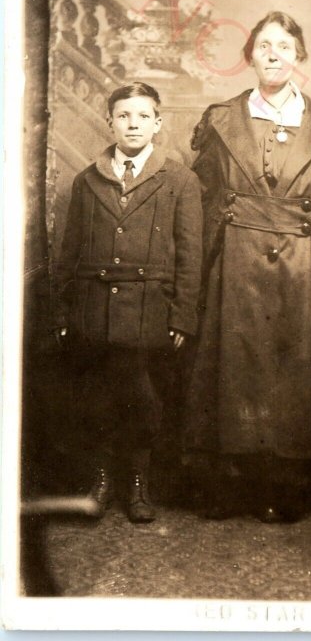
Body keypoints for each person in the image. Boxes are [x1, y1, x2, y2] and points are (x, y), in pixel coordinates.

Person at [184, 11, 311, 522]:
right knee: (230, 367)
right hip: (235, 260)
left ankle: (282, 484)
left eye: (285, 46)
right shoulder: (220, 119)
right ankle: (228, 483)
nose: (275, 54)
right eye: (264, 46)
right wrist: (202, 267)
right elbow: (205, 199)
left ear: (299, 56)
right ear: (250, 57)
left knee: (291, 370)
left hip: (301, 265)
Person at [52, 82, 203, 523]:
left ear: (158, 124)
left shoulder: (180, 180)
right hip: (93, 310)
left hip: (149, 312)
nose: (132, 124)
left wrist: (182, 315)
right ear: (110, 122)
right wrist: (64, 312)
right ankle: (100, 481)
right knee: (96, 397)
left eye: (142, 116)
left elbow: (189, 255)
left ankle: (139, 484)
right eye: (123, 116)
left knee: (144, 399)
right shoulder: (87, 180)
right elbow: (69, 251)